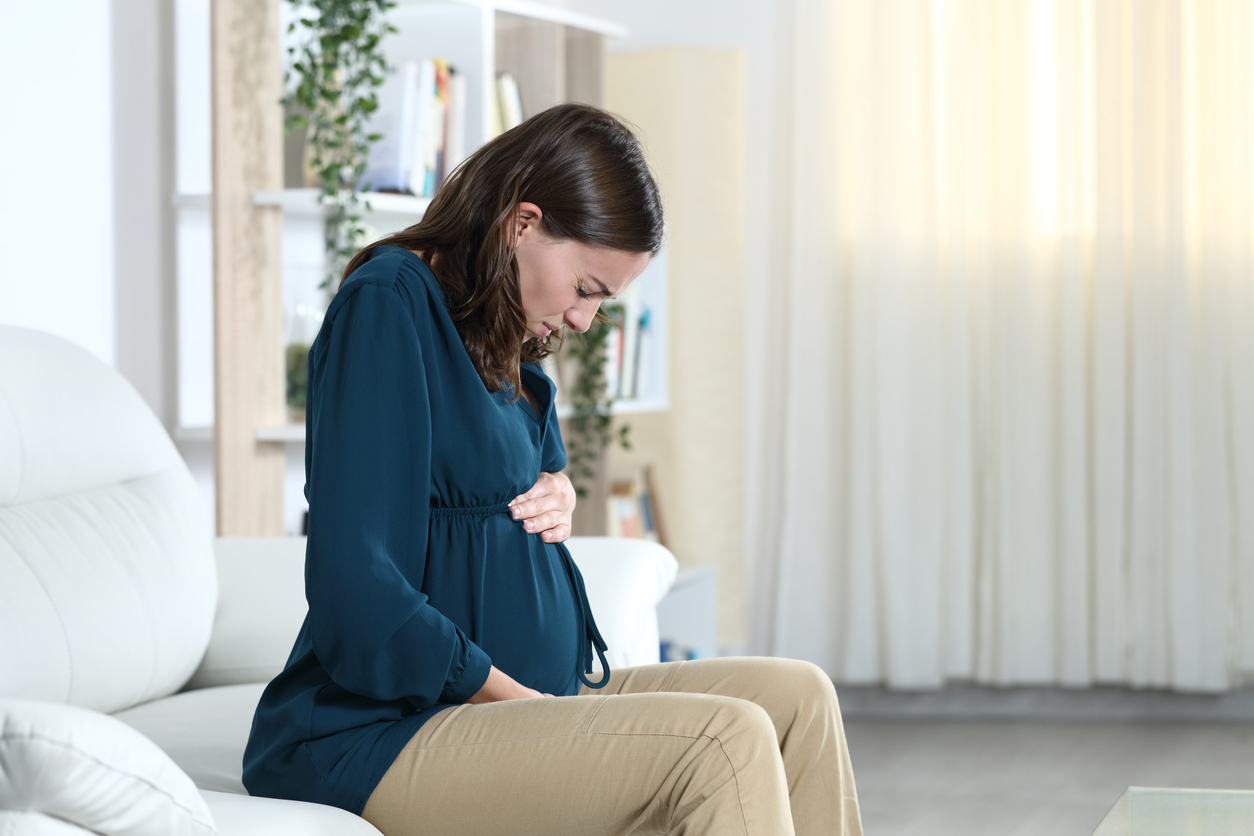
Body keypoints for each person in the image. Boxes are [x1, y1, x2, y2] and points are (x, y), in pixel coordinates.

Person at [242, 102, 863, 836]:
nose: (582, 321)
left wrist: (557, 488)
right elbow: (357, 585)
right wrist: (520, 702)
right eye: (588, 290)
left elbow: (512, 470)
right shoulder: (389, 305)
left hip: (522, 699)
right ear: (524, 223)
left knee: (798, 698)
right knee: (723, 743)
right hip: (383, 731)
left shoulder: (496, 330)